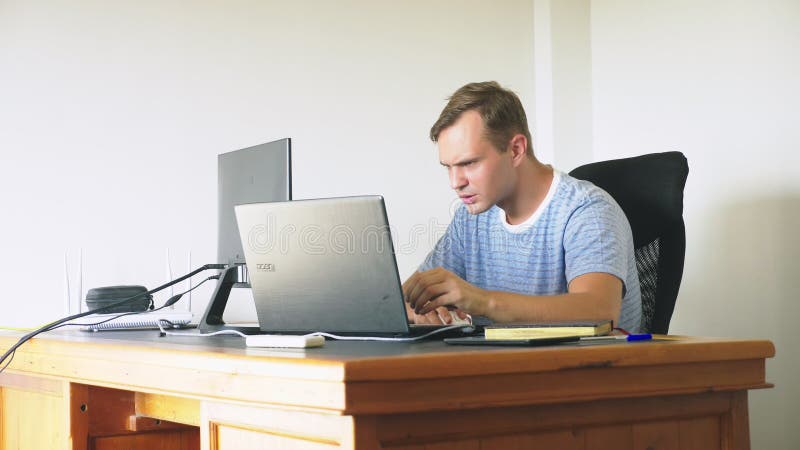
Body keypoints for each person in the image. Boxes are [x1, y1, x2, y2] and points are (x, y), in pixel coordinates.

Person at [403, 81, 642, 332]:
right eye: (448, 167)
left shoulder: (588, 210)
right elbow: (402, 299)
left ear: (516, 150)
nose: (456, 182)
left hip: (582, 369)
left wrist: (482, 301)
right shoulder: (470, 217)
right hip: (500, 366)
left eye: (469, 163)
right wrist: (418, 313)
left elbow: (600, 311)